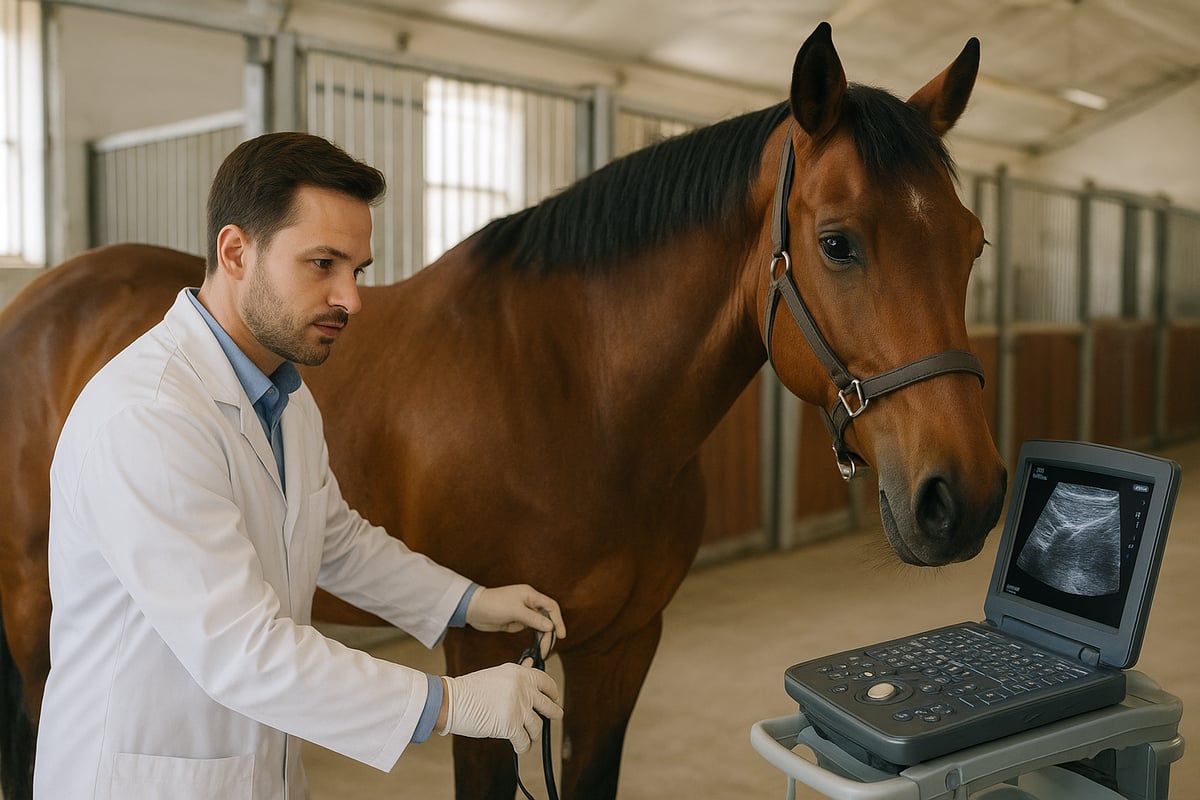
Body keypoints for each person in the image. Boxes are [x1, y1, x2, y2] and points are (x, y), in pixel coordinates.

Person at [32, 132, 566, 800]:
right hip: (145, 780)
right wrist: (452, 704)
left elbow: (331, 538)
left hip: (254, 772)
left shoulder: (284, 395)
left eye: (358, 270)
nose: (352, 298)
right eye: (323, 264)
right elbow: (241, 650)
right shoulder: (151, 416)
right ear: (235, 252)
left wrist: (468, 602)